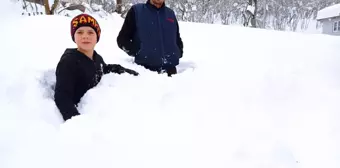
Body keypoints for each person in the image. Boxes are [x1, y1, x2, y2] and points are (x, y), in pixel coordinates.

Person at [54, 13, 139, 122]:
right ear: (74, 37)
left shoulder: (96, 57)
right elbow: (62, 96)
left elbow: (103, 69)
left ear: (97, 37)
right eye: (80, 32)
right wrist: (77, 122)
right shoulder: (68, 62)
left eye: (90, 32)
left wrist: (124, 70)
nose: (85, 36)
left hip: (99, 110)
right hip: (83, 113)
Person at [117, 0, 183, 77]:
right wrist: (138, 51)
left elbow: (176, 38)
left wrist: (178, 52)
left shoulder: (170, 14)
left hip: (172, 73)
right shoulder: (136, 11)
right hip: (145, 74)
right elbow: (122, 39)